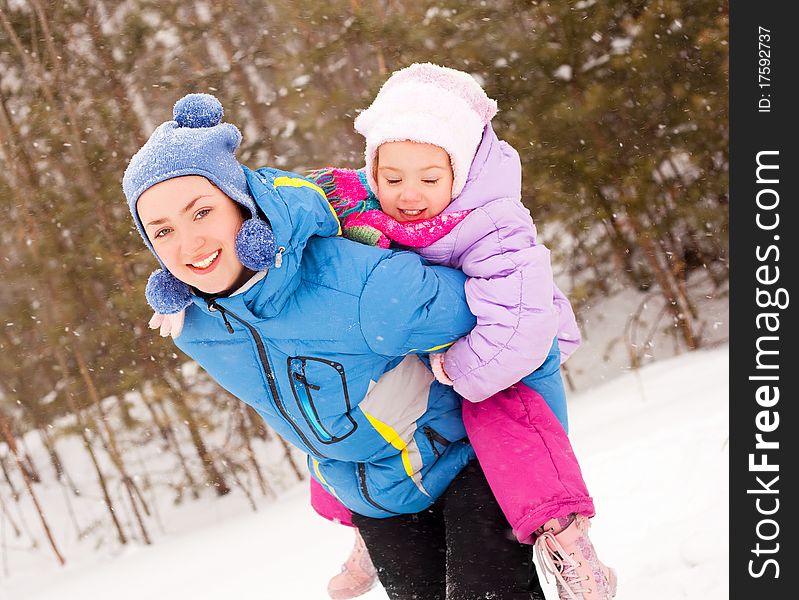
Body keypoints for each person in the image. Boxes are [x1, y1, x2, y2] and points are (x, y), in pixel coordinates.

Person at [125, 92, 560, 599]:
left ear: (242, 206)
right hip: (378, 497)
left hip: (468, 463)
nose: (189, 245)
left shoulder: (357, 287)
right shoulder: (197, 327)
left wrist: (542, 467)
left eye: (201, 212)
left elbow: (515, 314)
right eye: (163, 231)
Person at [305, 63, 617, 600]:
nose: (408, 195)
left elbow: (520, 320)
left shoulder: (491, 221)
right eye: (392, 178)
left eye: (429, 179)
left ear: (460, 171)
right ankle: (362, 533)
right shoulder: (368, 207)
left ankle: (567, 540)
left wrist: (460, 369)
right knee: (338, 420)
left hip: (501, 365)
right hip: (431, 365)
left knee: (509, 437)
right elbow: (297, 200)